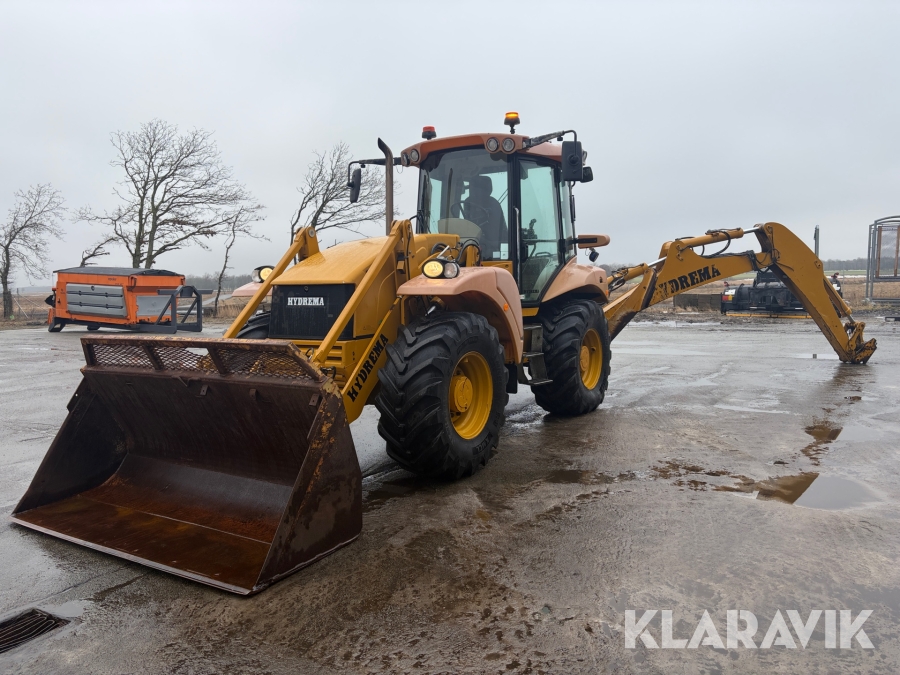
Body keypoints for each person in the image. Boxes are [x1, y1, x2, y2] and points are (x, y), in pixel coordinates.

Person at [462, 175, 507, 259]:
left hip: (491, 248)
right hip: (471, 243)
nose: (473, 191)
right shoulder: (468, 202)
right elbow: (467, 223)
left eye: (475, 188)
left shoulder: (493, 204)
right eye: (472, 188)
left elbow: (494, 231)